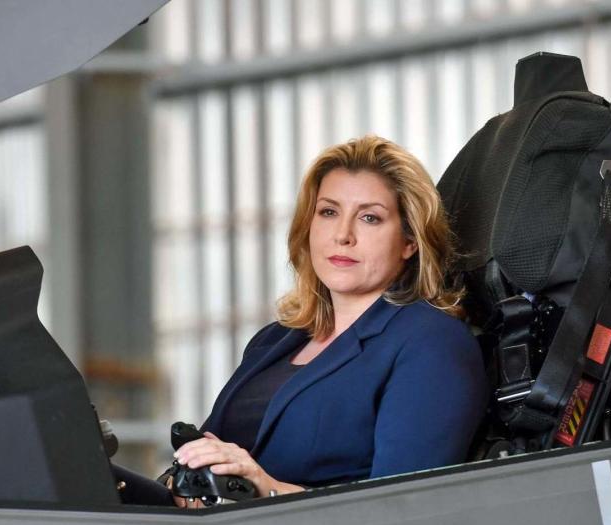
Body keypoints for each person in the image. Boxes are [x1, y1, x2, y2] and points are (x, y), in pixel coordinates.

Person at [174, 134, 487, 502]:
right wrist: (179, 483)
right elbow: (207, 454)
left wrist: (265, 488)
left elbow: (405, 509)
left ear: (409, 241)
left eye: (370, 217)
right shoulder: (272, 340)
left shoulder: (431, 342)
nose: (343, 235)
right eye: (328, 212)